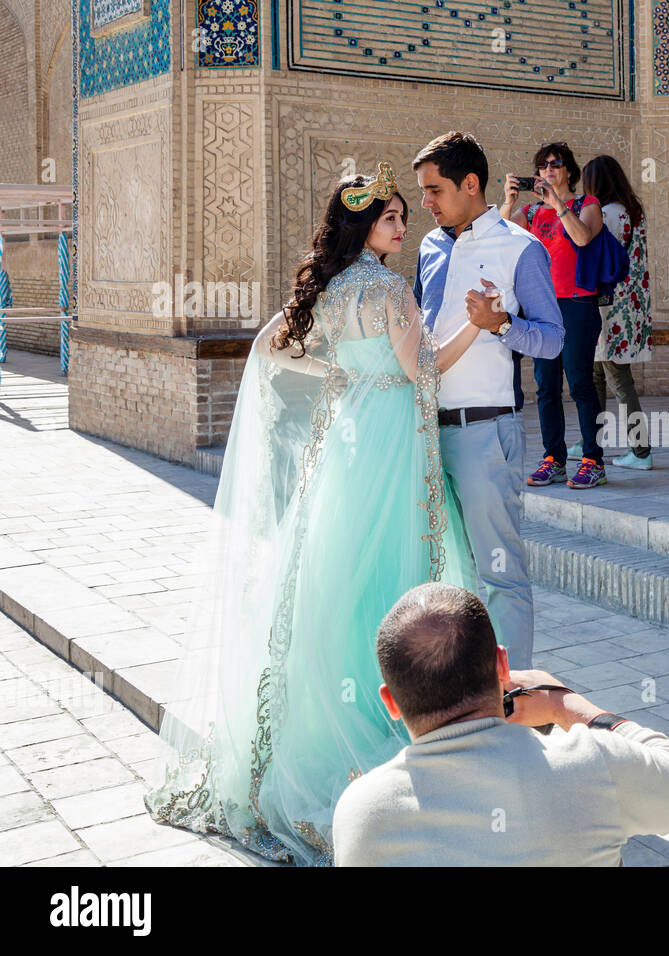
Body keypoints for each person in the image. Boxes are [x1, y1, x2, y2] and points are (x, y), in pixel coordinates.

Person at [146, 164, 484, 865]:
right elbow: (424, 372)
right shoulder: (390, 289)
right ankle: (392, 720)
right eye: (392, 218)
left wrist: (344, 381)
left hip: (346, 446)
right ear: (366, 227)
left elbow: (278, 348)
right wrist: (477, 329)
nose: (402, 226)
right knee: (387, 576)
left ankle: (331, 720)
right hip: (390, 442)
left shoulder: (329, 291)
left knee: (334, 579)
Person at [332, 583, 669, 866]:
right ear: (503, 666)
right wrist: (564, 704)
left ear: (391, 703)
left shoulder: (363, 812)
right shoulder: (593, 764)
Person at [411, 131, 564, 670]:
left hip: (485, 434)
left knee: (500, 575)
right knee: (446, 575)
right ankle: (459, 699)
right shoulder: (429, 248)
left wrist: (499, 323)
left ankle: (515, 696)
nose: (425, 203)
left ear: (470, 184)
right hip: (426, 432)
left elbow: (552, 338)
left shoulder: (522, 248)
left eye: (434, 190)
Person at [503, 142, 608, 490]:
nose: (548, 169)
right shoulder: (531, 214)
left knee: (579, 382)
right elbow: (498, 237)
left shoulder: (586, 205)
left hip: (577, 305)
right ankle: (554, 459)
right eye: (542, 165)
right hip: (540, 308)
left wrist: (558, 204)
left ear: (568, 171)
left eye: (555, 163)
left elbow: (581, 238)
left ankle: (593, 460)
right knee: (547, 386)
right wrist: (508, 203)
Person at [582, 155, 654, 469]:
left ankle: (641, 451)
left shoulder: (608, 214)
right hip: (631, 305)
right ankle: (590, 443)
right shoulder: (634, 212)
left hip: (610, 309)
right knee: (598, 376)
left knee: (617, 378)